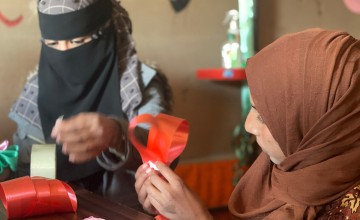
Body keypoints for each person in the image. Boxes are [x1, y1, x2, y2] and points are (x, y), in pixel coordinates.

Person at [135, 28, 360, 219]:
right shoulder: (284, 170)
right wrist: (170, 207)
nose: (248, 126)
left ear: (321, 127)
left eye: (264, 116)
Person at [8, 0, 173, 211]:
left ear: (104, 33)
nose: (64, 53)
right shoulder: (35, 92)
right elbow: (26, 169)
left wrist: (117, 135)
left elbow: (165, 157)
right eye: (52, 44)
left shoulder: (138, 86)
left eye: (78, 41)